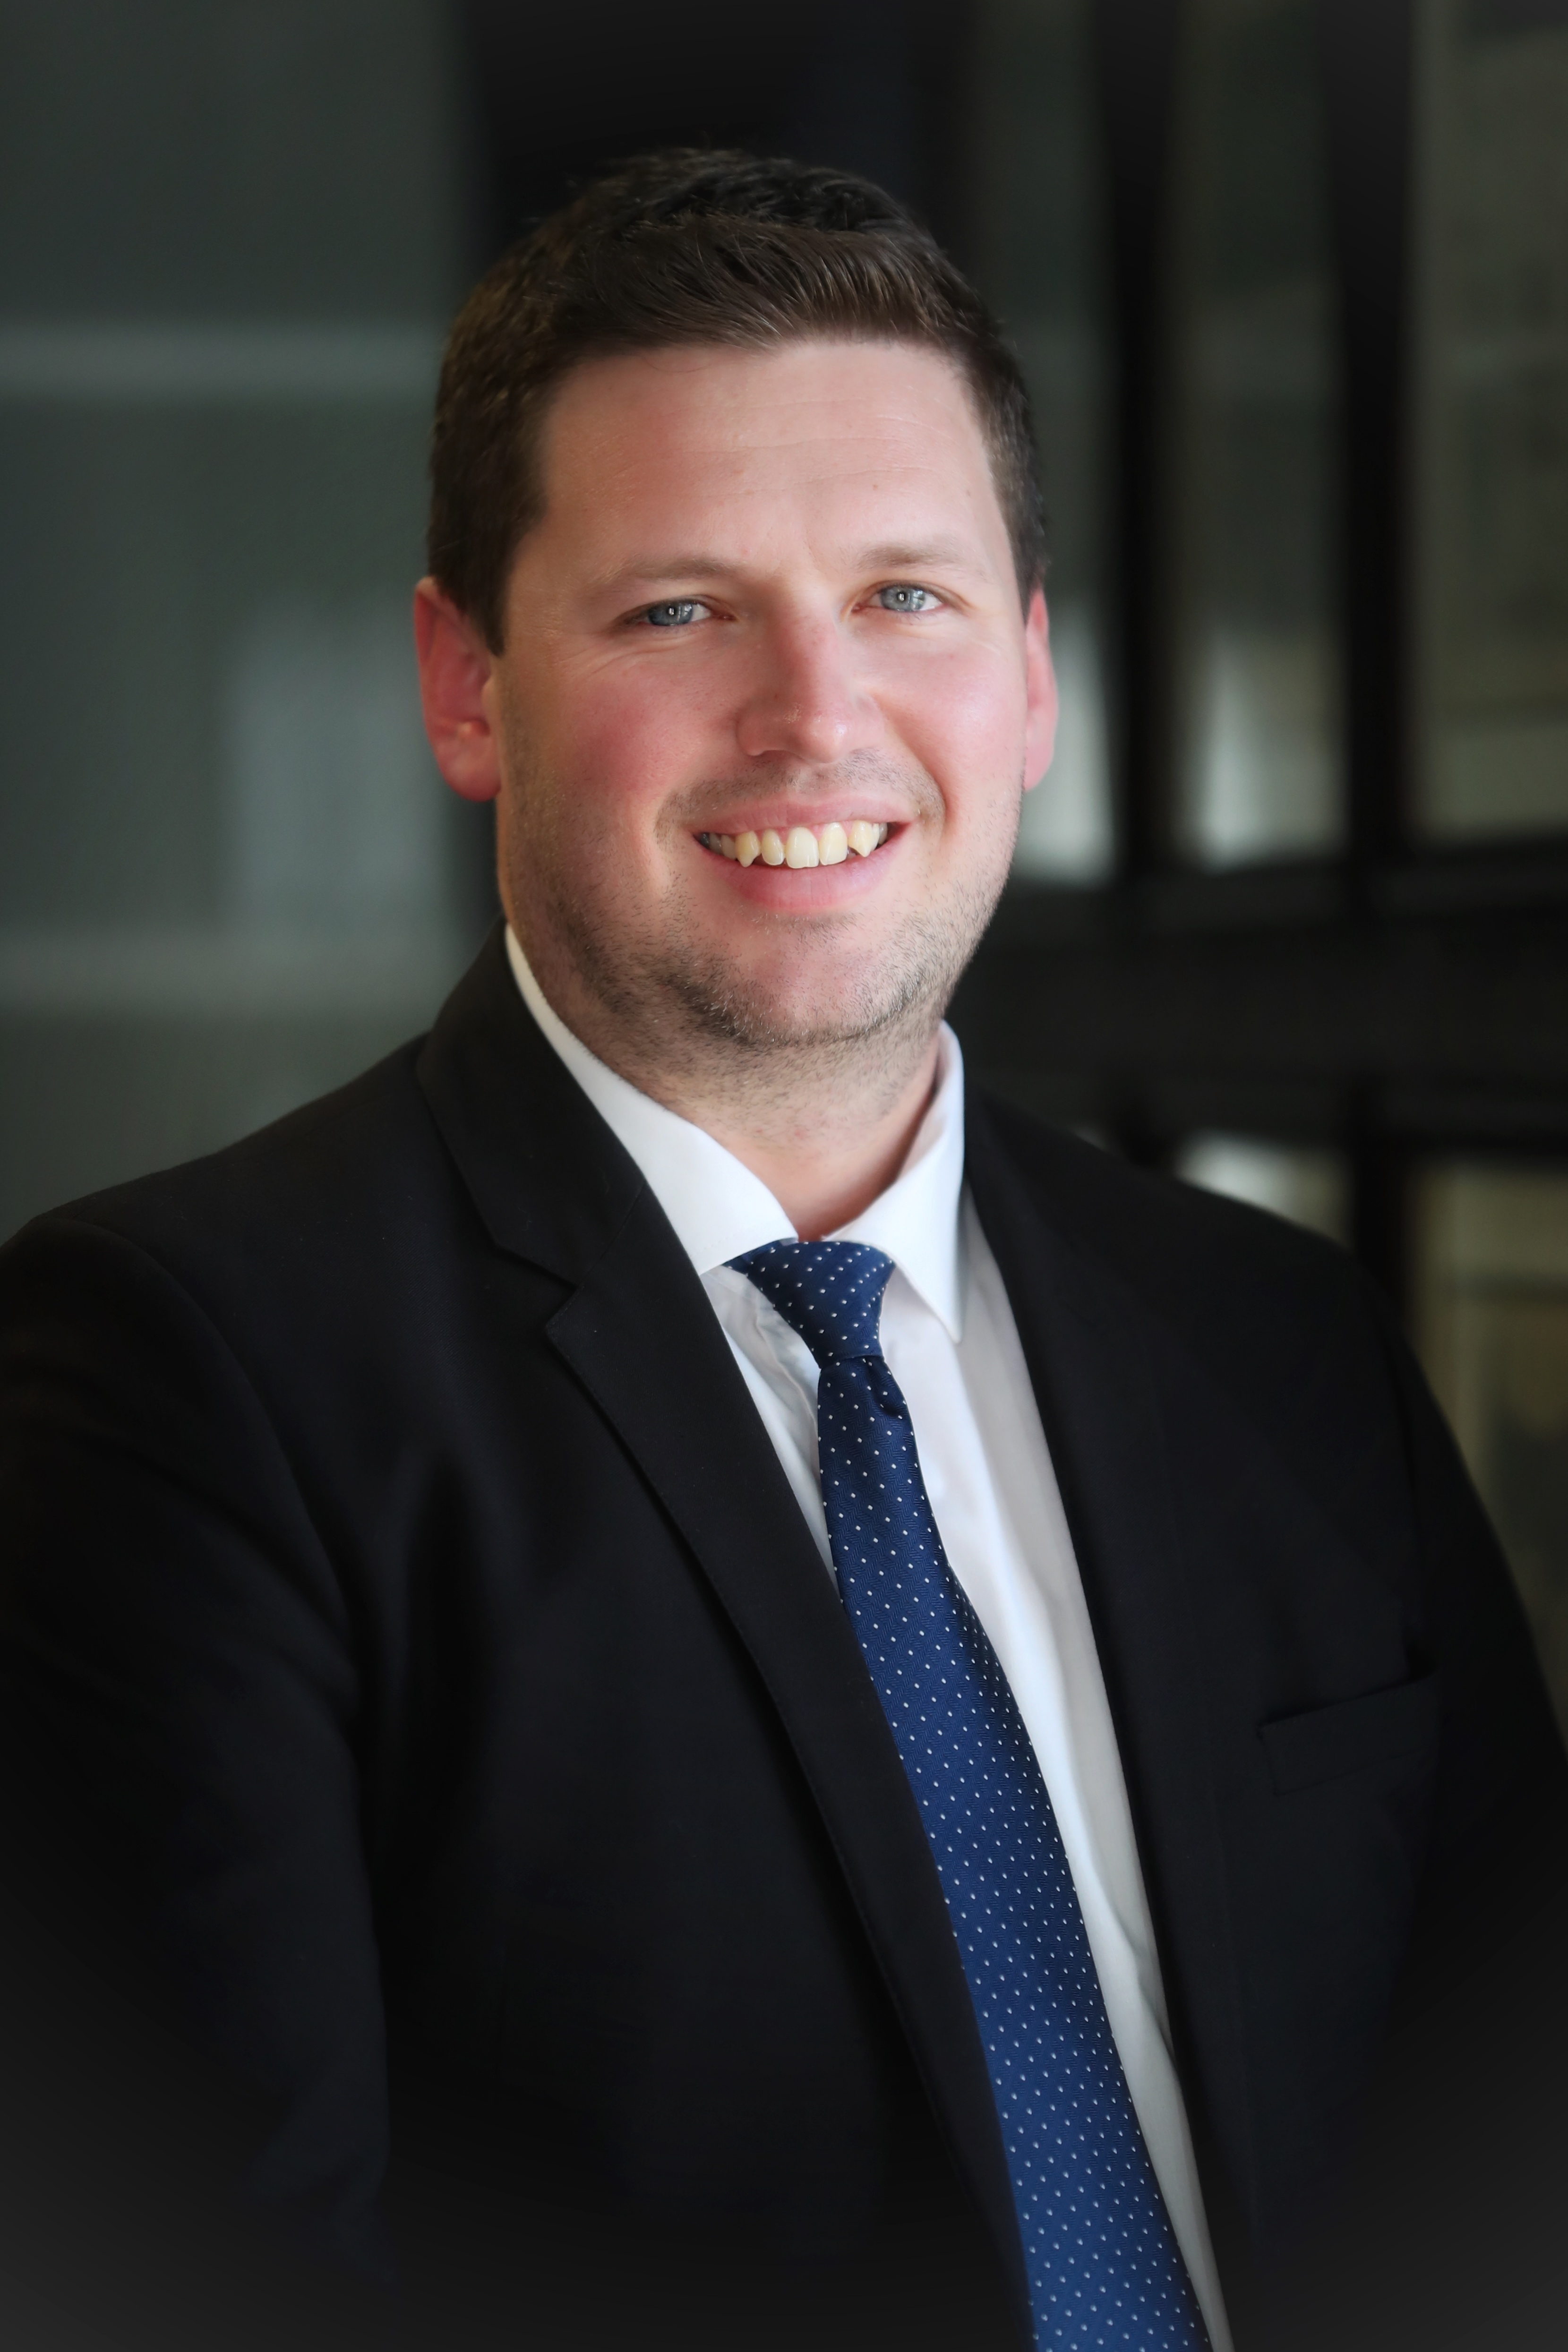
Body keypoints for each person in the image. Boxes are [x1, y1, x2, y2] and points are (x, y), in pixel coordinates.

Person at [0, 152, 1564, 2352]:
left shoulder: (1275, 1335)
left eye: (905, 596)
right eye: (679, 611)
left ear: (1031, 677)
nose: (814, 715)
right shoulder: (176, 1385)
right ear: (465, 686)